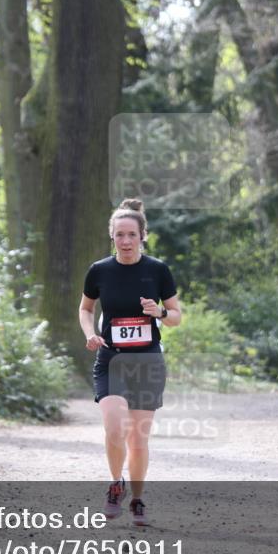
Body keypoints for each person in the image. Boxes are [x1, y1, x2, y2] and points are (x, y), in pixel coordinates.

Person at [78, 199, 181, 526]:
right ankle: (115, 484)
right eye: (119, 235)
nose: (125, 241)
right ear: (112, 236)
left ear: (142, 236)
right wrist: (90, 332)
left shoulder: (158, 270)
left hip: (147, 362)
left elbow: (177, 316)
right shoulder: (99, 270)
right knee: (113, 428)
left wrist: (161, 313)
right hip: (111, 359)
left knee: (138, 440)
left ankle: (137, 500)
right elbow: (85, 308)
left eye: (131, 235)